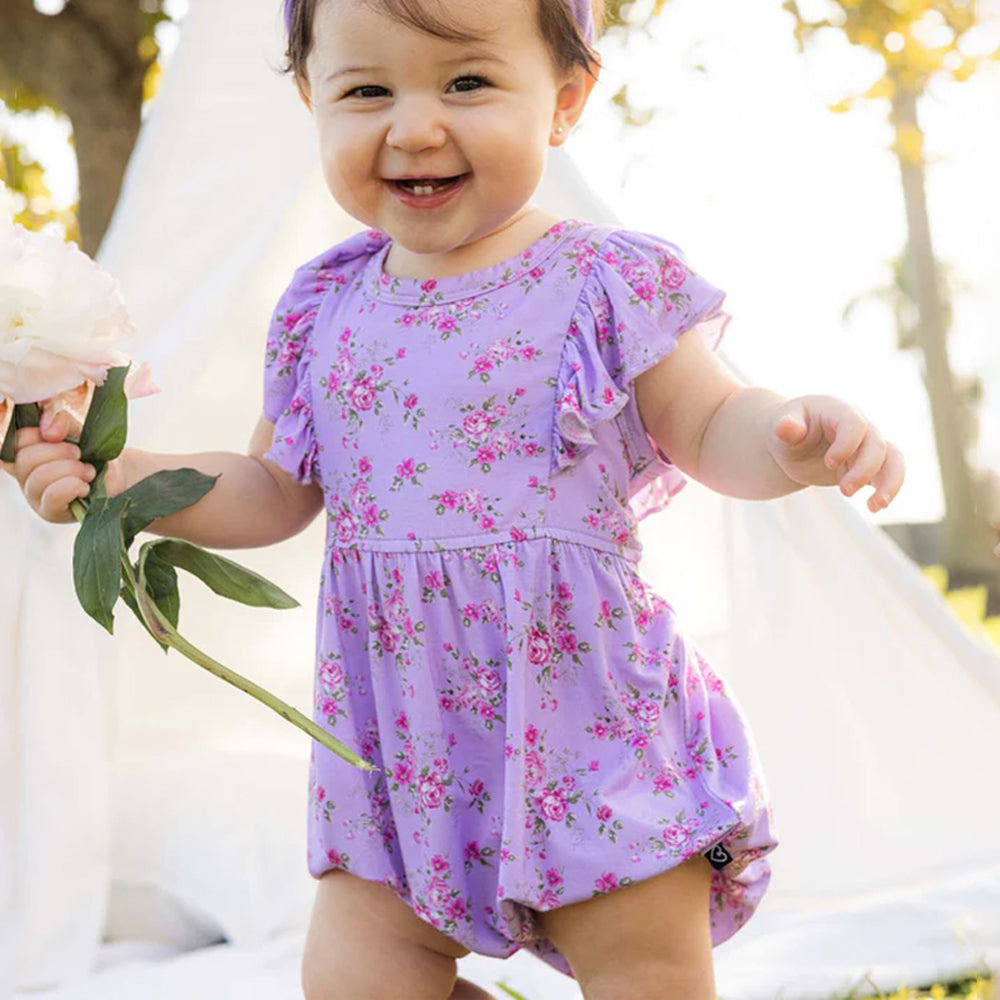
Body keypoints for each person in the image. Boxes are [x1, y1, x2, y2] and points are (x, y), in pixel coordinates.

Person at [5, 0, 908, 997]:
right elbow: (271, 490)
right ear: (311, 102)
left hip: (586, 718)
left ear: (563, 100)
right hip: (397, 743)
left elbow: (713, 423)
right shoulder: (323, 307)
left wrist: (792, 439)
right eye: (366, 91)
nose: (416, 125)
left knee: (642, 972)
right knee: (356, 979)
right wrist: (127, 478)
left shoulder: (601, 279)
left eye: (467, 82)